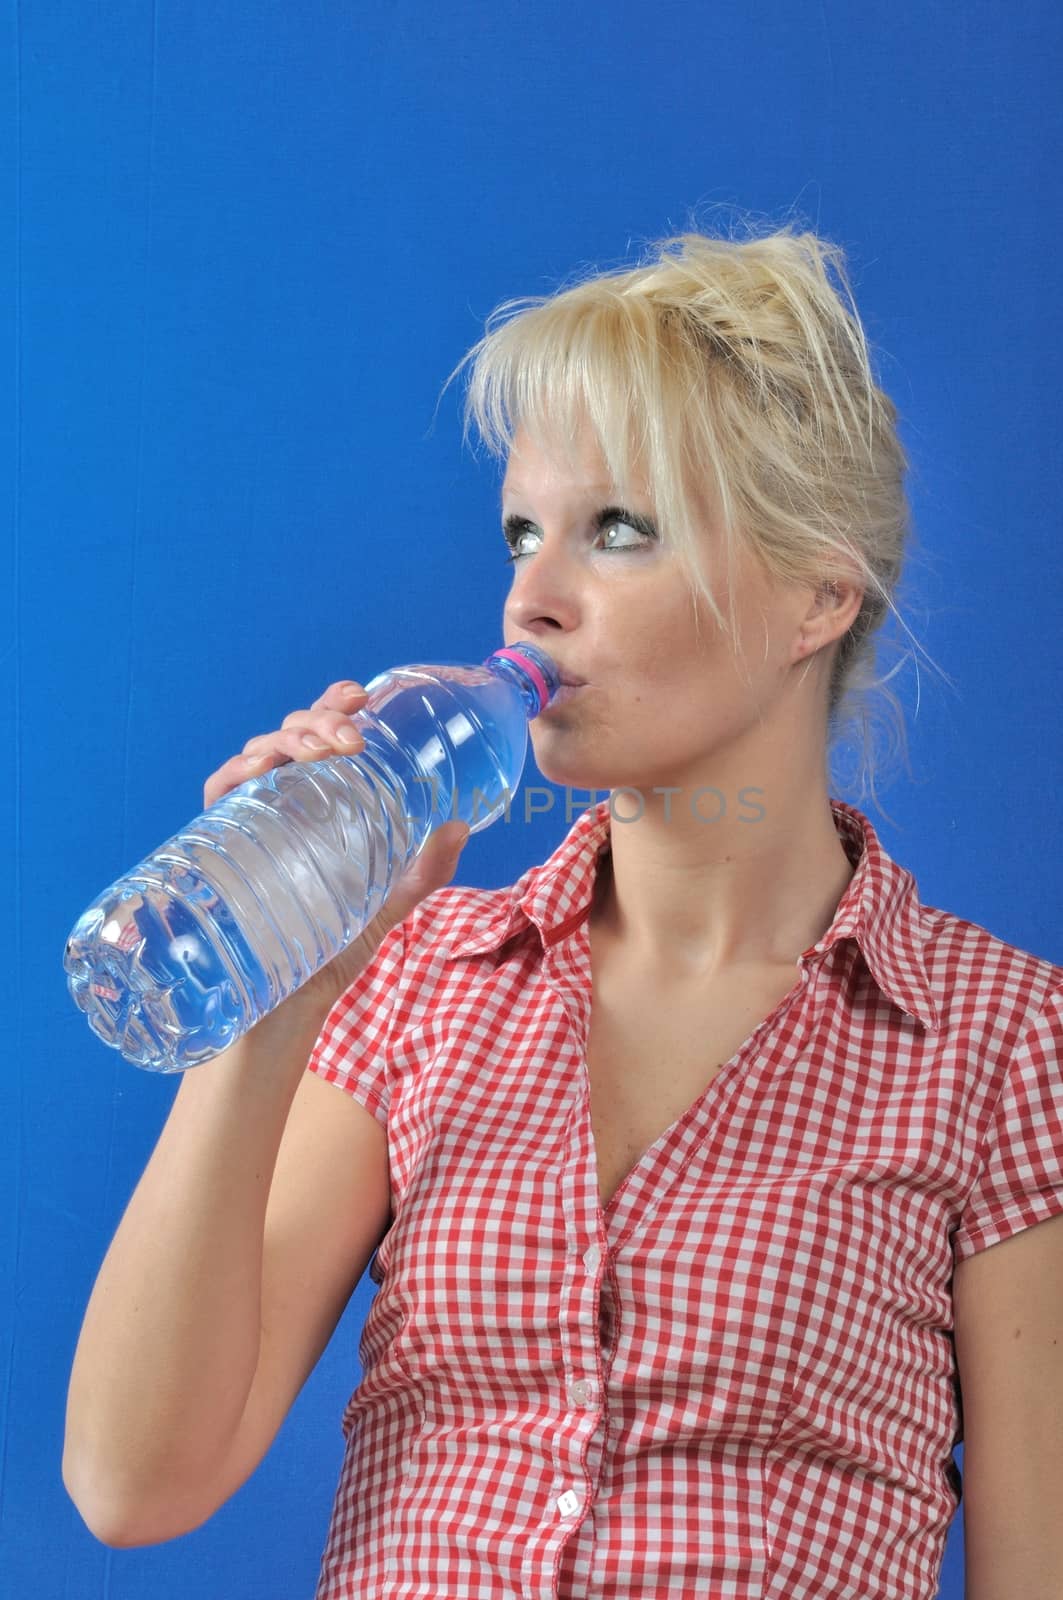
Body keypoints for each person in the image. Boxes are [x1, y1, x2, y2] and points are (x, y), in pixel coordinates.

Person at [63, 221, 1063, 1599]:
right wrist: (281, 981)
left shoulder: (1006, 1040)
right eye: (524, 531)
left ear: (818, 593)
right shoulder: (418, 984)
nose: (532, 598)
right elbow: (131, 1484)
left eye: (619, 532)